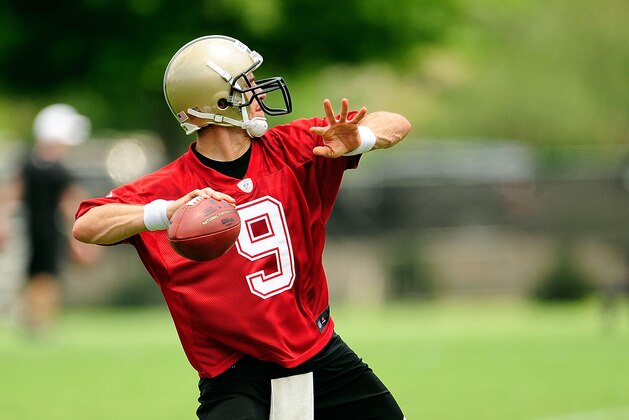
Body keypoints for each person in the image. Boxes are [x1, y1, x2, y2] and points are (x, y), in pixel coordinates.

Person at [73, 35, 411, 419]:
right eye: (246, 85)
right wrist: (164, 213)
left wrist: (360, 138)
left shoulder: (299, 146)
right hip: (234, 371)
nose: (258, 92)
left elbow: (396, 123)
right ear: (218, 103)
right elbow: (87, 224)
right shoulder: (168, 189)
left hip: (317, 350)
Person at [0, 103, 97, 338]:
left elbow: (10, 194)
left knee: (36, 275)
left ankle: (33, 320)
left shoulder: (28, 164)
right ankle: (40, 322)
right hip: (47, 231)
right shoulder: (58, 171)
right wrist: (82, 239)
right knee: (46, 276)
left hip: (31, 230)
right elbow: (71, 204)